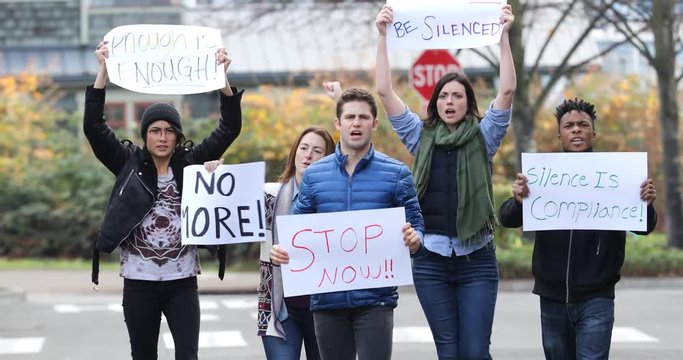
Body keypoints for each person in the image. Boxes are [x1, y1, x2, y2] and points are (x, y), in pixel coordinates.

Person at [83, 40, 243, 360]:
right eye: (155, 130)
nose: (162, 136)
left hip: (182, 282)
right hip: (138, 283)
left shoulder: (190, 163)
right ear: (145, 135)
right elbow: (94, 128)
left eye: (169, 130)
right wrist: (103, 71)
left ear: (178, 136)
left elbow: (229, 129)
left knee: (188, 355)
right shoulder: (127, 163)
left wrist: (222, 79)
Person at [374, 4, 516, 359]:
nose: (449, 101)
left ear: (468, 104)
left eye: (458, 96)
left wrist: (504, 36)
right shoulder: (419, 137)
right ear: (435, 103)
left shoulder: (483, 136)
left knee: (475, 352)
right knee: (449, 352)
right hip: (431, 259)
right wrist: (381, 36)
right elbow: (384, 91)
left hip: (477, 259)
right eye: (443, 96)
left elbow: (508, 92)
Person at [270, 88, 425, 360]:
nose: (356, 123)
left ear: (374, 123)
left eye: (363, 117)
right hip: (326, 302)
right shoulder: (315, 176)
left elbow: (417, 228)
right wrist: (282, 252)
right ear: (338, 123)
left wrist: (415, 240)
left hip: (376, 301)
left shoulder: (397, 173)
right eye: (350, 117)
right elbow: (297, 233)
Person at [498, 98, 658, 360]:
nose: (576, 130)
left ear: (593, 134)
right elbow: (507, 218)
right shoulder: (541, 175)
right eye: (569, 125)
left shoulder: (617, 176)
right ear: (559, 134)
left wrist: (646, 204)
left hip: (597, 296)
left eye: (583, 125)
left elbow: (644, 227)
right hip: (551, 296)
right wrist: (518, 200)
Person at [205, 126, 335, 360]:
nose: (308, 155)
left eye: (317, 151)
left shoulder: (336, 202)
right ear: (294, 153)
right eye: (303, 148)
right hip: (279, 309)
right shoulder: (269, 195)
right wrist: (214, 177)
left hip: (325, 310)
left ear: (328, 159)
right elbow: (227, 204)